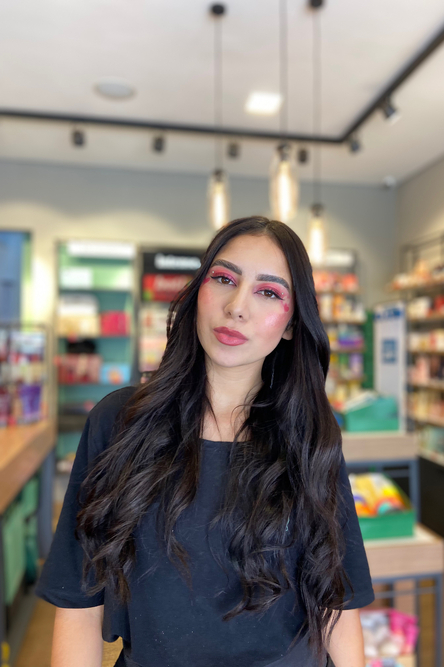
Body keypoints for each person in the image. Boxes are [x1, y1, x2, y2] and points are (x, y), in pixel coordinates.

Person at [36, 216, 374, 667]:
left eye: (268, 292)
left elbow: (336, 598)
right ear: (199, 292)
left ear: (292, 323)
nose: (237, 307)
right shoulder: (119, 423)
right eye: (224, 279)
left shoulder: (309, 433)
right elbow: (79, 605)